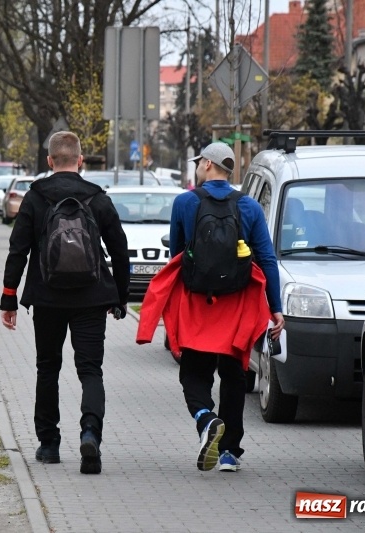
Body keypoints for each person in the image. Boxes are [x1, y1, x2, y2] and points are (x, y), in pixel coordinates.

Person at [139, 142, 284, 473]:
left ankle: (206, 418)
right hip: (236, 306)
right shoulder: (248, 207)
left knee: (193, 371)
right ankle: (229, 452)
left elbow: (176, 255)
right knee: (233, 375)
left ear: (206, 164)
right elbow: (267, 260)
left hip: (197, 304)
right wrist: (275, 307)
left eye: (198, 163)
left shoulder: (185, 203)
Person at [0, 131, 130, 475]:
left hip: (47, 297)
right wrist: (119, 297)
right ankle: (90, 433)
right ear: (80, 160)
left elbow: (19, 250)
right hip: (92, 297)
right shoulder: (98, 198)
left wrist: (8, 296)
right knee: (90, 370)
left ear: (49, 161)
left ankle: (48, 444)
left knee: (48, 368)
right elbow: (119, 249)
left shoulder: (35, 197)